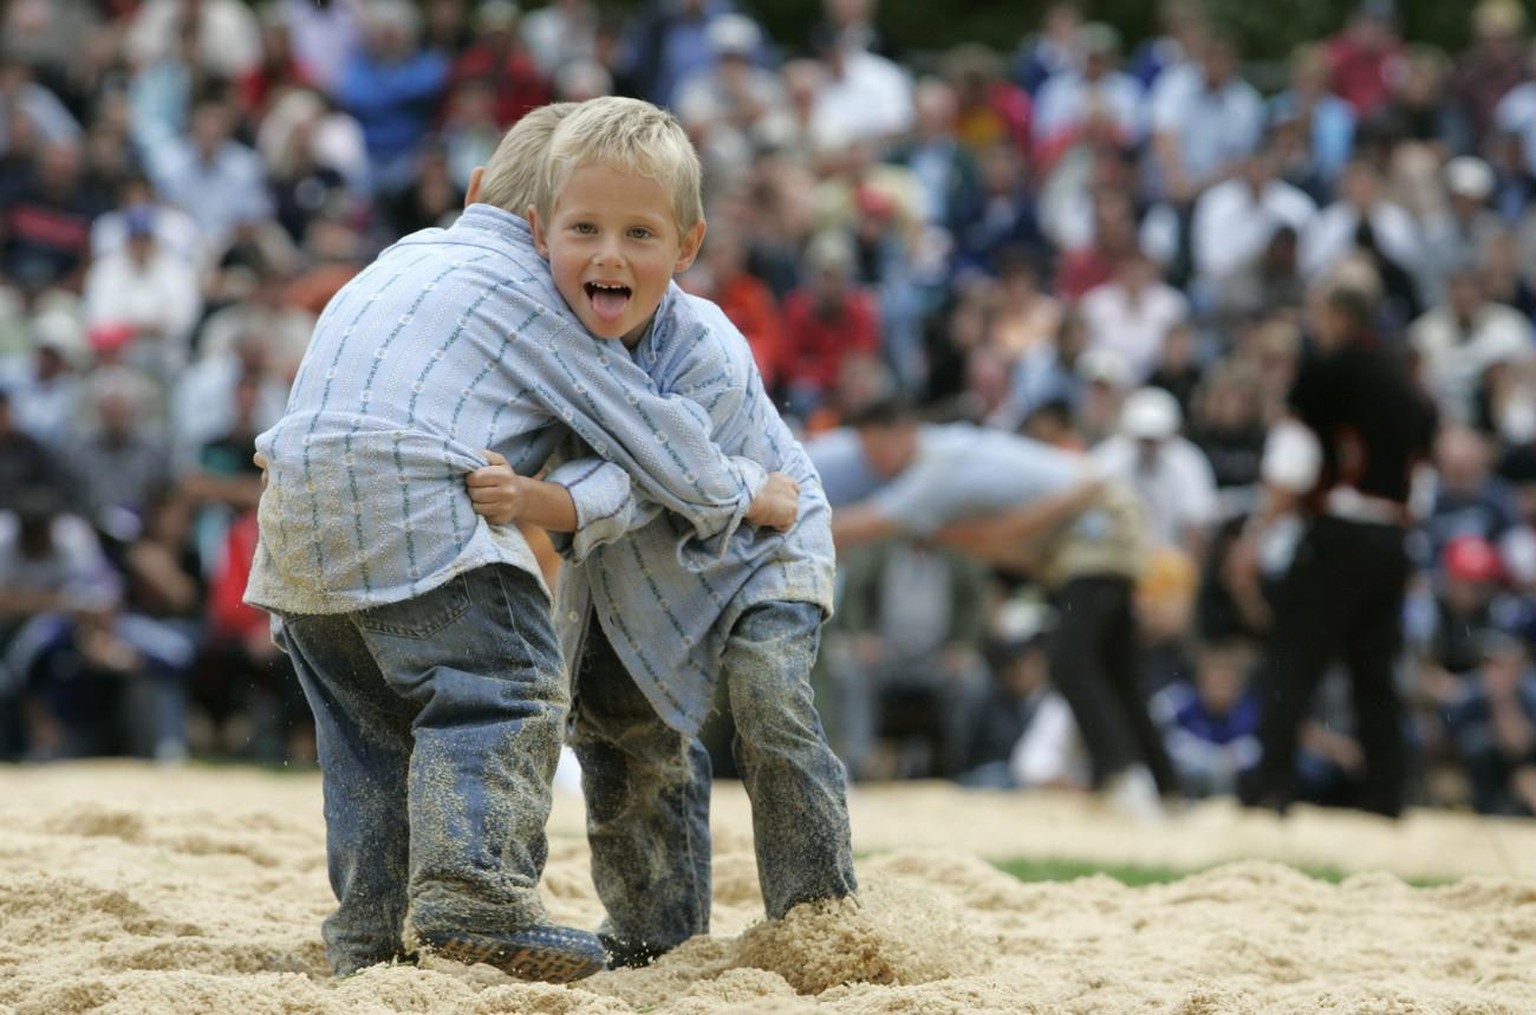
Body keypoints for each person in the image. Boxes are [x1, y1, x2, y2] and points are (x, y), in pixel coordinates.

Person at [245, 104, 802, 982]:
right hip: (412, 500)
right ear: (541, 230)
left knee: (368, 735)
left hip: (290, 517)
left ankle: (369, 933)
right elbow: (662, 451)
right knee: (501, 690)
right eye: (577, 228)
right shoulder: (535, 292)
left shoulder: (407, 253)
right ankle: (476, 897)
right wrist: (750, 490)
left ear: (473, 191)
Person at [464, 96, 857, 969]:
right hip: (633, 573)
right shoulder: (538, 336)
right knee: (615, 730)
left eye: (640, 234)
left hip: (761, 547)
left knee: (768, 698)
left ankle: (821, 914)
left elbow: (650, 483)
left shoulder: (705, 343)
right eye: (586, 229)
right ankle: (658, 936)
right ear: (540, 233)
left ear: (687, 246)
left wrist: (532, 499)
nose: (609, 255)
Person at [808, 398, 1177, 820]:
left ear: (903, 433)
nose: (875, 466)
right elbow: (990, 538)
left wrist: (793, 522)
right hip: (1090, 524)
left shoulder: (936, 468)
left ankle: (1123, 779)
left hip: (1098, 519)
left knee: (1071, 661)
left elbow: (875, 523)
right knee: (1117, 670)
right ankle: (1166, 786)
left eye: (876, 451)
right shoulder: (950, 457)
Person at [1235, 284, 1439, 818]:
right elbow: (1422, 481)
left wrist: (1254, 538)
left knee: (1292, 659)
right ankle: (1387, 794)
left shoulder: (1327, 372)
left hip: (1338, 532)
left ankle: (1269, 786)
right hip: (1393, 538)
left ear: (1337, 318)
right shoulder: (1411, 388)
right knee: (1375, 674)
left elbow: (1295, 464)